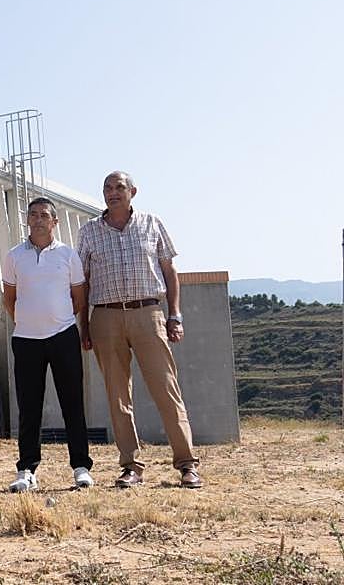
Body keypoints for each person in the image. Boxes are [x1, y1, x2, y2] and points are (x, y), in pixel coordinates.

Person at [77, 171, 202, 489]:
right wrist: (84, 326)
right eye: (107, 187)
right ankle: (131, 466)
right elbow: (84, 282)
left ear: (133, 191)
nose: (113, 192)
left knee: (166, 389)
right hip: (104, 318)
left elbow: (169, 271)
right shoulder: (89, 232)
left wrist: (175, 315)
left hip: (148, 313)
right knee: (118, 397)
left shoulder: (152, 223)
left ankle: (187, 464)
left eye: (119, 187)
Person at [2, 197, 93, 493]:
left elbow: (79, 297)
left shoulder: (68, 255)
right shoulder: (15, 256)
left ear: (55, 222)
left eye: (44, 215)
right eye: (33, 215)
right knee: (29, 407)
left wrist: (57, 318)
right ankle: (27, 469)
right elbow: (9, 298)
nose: (39, 219)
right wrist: (30, 320)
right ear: (27, 220)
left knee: (72, 403)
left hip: (63, 335)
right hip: (26, 339)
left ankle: (81, 466)